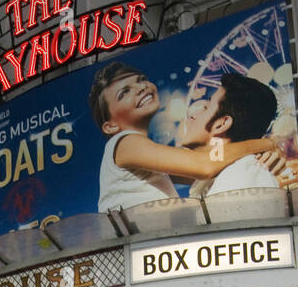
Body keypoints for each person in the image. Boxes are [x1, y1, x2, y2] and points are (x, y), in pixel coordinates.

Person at [90, 60, 283, 213]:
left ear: (222, 123)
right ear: (110, 126)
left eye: (140, 79)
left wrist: (258, 160)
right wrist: (267, 143)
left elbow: (213, 170)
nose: (140, 88)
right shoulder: (124, 143)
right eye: (124, 92)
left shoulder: (147, 160)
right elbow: (205, 165)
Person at [179, 73, 295, 194]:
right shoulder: (229, 174)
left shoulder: (242, 176)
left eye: (206, 108)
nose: (192, 116)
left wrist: (270, 144)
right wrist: (269, 144)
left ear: (222, 124)